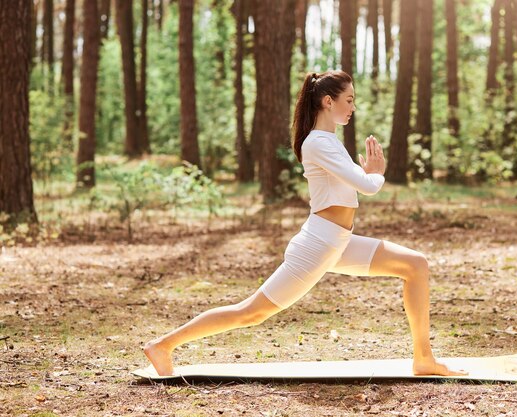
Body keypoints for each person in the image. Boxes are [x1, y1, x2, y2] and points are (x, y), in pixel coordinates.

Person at [143, 69, 466, 377]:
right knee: (251, 312)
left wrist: (368, 174)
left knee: (415, 265)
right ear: (328, 101)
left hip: (337, 241)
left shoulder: (328, 141)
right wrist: (376, 172)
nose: (353, 106)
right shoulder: (318, 142)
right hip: (318, 245)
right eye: (349, 100)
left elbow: (357, 183)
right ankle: (163, 345)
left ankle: (424, 358)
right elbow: (367, 186)